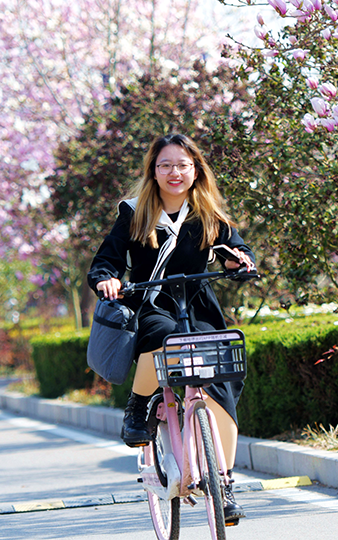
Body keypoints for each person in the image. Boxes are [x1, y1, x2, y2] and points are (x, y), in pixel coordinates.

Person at [88, 133, 256, 523]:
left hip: (198, 306)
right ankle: (138, 405)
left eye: (182, 165)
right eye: (165, 165)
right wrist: (107, 281)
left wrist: (239, 262)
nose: (174, 172)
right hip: (153, 303)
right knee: (165, 338)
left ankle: (225, 484)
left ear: (195, 170)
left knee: (223, 380)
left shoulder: (209, 214)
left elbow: (240, 251)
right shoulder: (134, 213)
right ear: (153, 171)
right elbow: (106, 262)